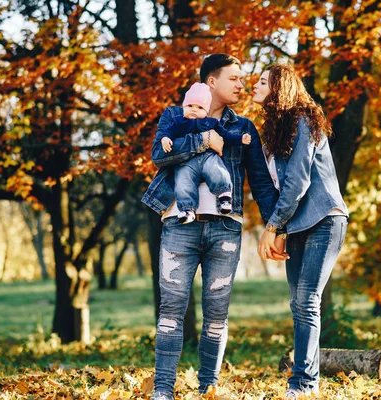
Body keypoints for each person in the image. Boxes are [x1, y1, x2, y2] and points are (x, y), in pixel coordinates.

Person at [141, 54, 283, 400]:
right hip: (179, 225)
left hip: (225, 229)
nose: (241, 84)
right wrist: (203, 142)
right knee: (171, 310)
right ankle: (163, 391)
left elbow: (262, 183)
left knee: (217, 315)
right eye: (234, 78)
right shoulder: (176, 116)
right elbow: (159, 157)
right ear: (211, 82)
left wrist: (275, 226)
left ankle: (208, 389)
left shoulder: (243, 128)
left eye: (242, 79)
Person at [253, 63, 349, 399]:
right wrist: (280, 229)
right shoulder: (274, 130)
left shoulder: (304, 119)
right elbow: (277, 188)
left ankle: (304, 384)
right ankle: (305, 380)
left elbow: (297, 183)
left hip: (325, 219)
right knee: (298, 303)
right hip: (297, 225)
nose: (254, 86)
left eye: (262, 82)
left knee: (307, 301)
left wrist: (273, 227)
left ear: (279, 88)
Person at [158, 82, 252, 223]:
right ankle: (187, 209)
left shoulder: (211, 122)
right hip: (186, 161)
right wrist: (165, 139)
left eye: (200, 107)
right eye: (190, 106)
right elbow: (168, 132)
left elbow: (226, 135)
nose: (194, 110)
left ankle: (225, 196)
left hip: (208, 156)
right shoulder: (178, 122)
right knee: (183, 180)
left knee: (217, 171)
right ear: (183, 107)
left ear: (206, 111)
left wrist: (240, 139)